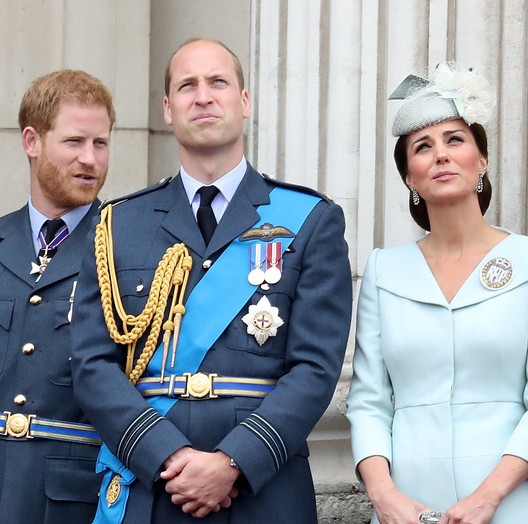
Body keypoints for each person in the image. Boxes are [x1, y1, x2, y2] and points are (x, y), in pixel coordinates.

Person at [70, 37, 353, 523]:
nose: (202, 96)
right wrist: (168, 455)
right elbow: (93, 364)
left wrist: (233, 462)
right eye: (187, 86)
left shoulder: (310, 220)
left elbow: (315, 369)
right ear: (167, 108)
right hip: (153, 487)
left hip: (263, 492)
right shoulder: (118, 224)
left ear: (244, 102)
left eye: (217, 82)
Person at [345, 63, 528, 524]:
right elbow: (367, 401)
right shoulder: (385, 271)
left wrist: (488, 498)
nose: (441, 155)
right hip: (404, 508)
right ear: (410, 175)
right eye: (422, 147)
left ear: (481, 159)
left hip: (508, 504)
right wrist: (383, 496)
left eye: (455, 139)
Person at [0, 69, 116, 523]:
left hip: (72, 500)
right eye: (74, 142)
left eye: (101, 143)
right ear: (32, 141)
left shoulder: (126, 251)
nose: (90, 159)